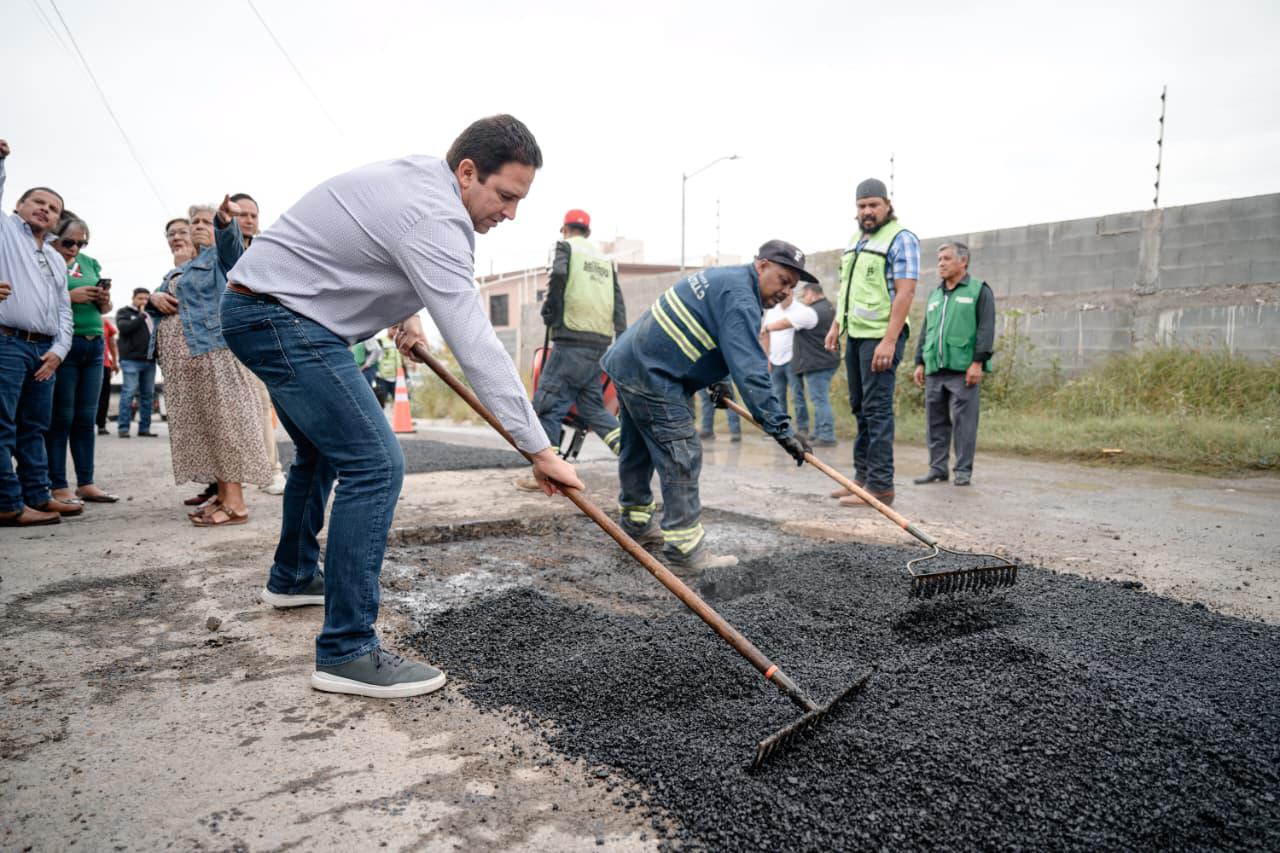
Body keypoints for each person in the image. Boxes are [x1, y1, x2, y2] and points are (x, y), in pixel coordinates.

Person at [220, 114, 583, 699]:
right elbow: (477, 345)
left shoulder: (423, 182)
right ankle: (346, 651)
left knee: (324, 452)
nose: (511, 213)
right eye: (506, 196)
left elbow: (378, 250)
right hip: (281, 318)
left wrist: (407, 314)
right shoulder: (436, 217)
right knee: (376, 463)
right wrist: (539, 449)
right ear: (468, 172)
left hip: (265, 309)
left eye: (520, 200)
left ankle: (292, 576)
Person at [602, 240, 815, 570]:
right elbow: (751, 371)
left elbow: (712, 337)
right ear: (762, 266)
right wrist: (781, 429)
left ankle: (635, 525)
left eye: (792, 287)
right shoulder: (741, 298)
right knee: (682, 455)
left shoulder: (727, 280)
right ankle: (684, 549)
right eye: (783, 280)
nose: (785, 292)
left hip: (632, 363)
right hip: (653, 374)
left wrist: (718, 380)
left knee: (638, 451)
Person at [148, 201, 272, 525]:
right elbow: (163, 300)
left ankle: (236, 504)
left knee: (226, 426)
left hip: (216, 352)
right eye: (195, 223)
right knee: (209, 429)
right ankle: (222, 495)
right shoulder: (187, 266)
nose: (199, 227)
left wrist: (224, 222)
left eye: (206, 222)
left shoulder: (223, 257)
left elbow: (232, 246)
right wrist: (153, 298)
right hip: (190, 359)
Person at [0, 138, 80, 526]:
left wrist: (60, 351)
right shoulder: (5, 232)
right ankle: (7, 503)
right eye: (38, 202)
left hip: (44, 351)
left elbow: (64, 310)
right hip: (7, 343)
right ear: (19, 204)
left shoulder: (55, 256)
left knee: (34, 428)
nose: (45, 209)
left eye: (54, 208)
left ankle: (37, 494)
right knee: (2, 425)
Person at [824, 178, 919, 507]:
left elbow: (906, 292)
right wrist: (837, 324)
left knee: (877, 410)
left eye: (873, 205)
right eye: (862, 206)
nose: (867, 211)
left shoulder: (901, 238)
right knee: (860, 408)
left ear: (887, 205)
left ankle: (880, 486)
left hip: (881, 336)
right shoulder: (856, 240)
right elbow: (847, 289)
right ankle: (862, 479)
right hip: (856, 334)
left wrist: (889, 341)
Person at [46, 213, 118, 504]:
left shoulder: (89, 263)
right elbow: (33, 301)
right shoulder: (45, 261)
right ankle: (57, 484)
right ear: (54, 238)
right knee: (61, 417)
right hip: (64, 344)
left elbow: (105, 309)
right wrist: (69, 296)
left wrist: (103, 300)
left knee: (86, 418)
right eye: (69, 242)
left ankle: (86, 482)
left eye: (81, 243)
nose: (74, 248)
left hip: (94, 343)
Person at [913, 242, 996, 487]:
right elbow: (926, 330)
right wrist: (919, 361)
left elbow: (986, 328)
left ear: (963, 261)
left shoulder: (978, 290)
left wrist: (978, 362)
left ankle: (963, 470)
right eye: (939, 259)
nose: (941, 263)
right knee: (935, 422)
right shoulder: (935, 295)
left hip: (963, 369)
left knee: (964, 423)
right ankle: (937, 468)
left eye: (947, 258)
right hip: (934, 369)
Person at [227, 192, 286, 496]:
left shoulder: (268, 249)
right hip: (222, 340)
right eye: (241, 215)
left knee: (262, 405)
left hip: (259, 337)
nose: (248, 220)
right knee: (227, 413)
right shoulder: (218, 250)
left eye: (253, 215)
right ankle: (223, 483)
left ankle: (271, 471)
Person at [788, 282, 841, 446]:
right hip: (826, 359)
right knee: (819, 398)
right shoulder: (829, 308)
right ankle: (818, 432)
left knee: (819, 400)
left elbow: (787, 322)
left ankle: (826, 435)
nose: (803, 299)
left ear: (811, 293)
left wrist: (767, 327)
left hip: (818, 362)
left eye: (804, 296)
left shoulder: (813, 311)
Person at [759, 290, 811, 438]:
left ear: (791, 293)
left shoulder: (800, 310)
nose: (782, 297)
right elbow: (764, 333)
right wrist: (767, 358)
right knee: (777, 397)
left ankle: (802, 429)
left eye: (786, 295)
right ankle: (781, 429)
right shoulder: (773, 310)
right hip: (775, 361)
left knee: (797, 395)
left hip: (792, 360)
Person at [115, 287, 158, 437]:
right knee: (129, 393)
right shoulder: (124, 312)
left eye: (146, 299)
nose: (144, 302)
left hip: (149, 360)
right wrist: (141, 315)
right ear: (133, 298)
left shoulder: (151, 315)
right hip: (130, 360)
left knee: (147, 395)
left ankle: (144, 428)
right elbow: (124, 329)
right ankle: (123, 428)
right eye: (140, 298)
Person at [95, 313, 117, 436]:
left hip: (104, 364)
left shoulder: (105, 322)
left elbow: (112, 344)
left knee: (104, 396)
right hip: (81, 363)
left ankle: (101, 424)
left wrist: (115, 361)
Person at [373, 333, 401, 408]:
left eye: (396, 328)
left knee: (398, 402)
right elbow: (375, 357)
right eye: (393, 328)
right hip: (382, 377)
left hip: (395, 377)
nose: (395, 330)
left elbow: (399, 359)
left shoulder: (397, 341)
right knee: (380, 403)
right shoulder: (381, 341)